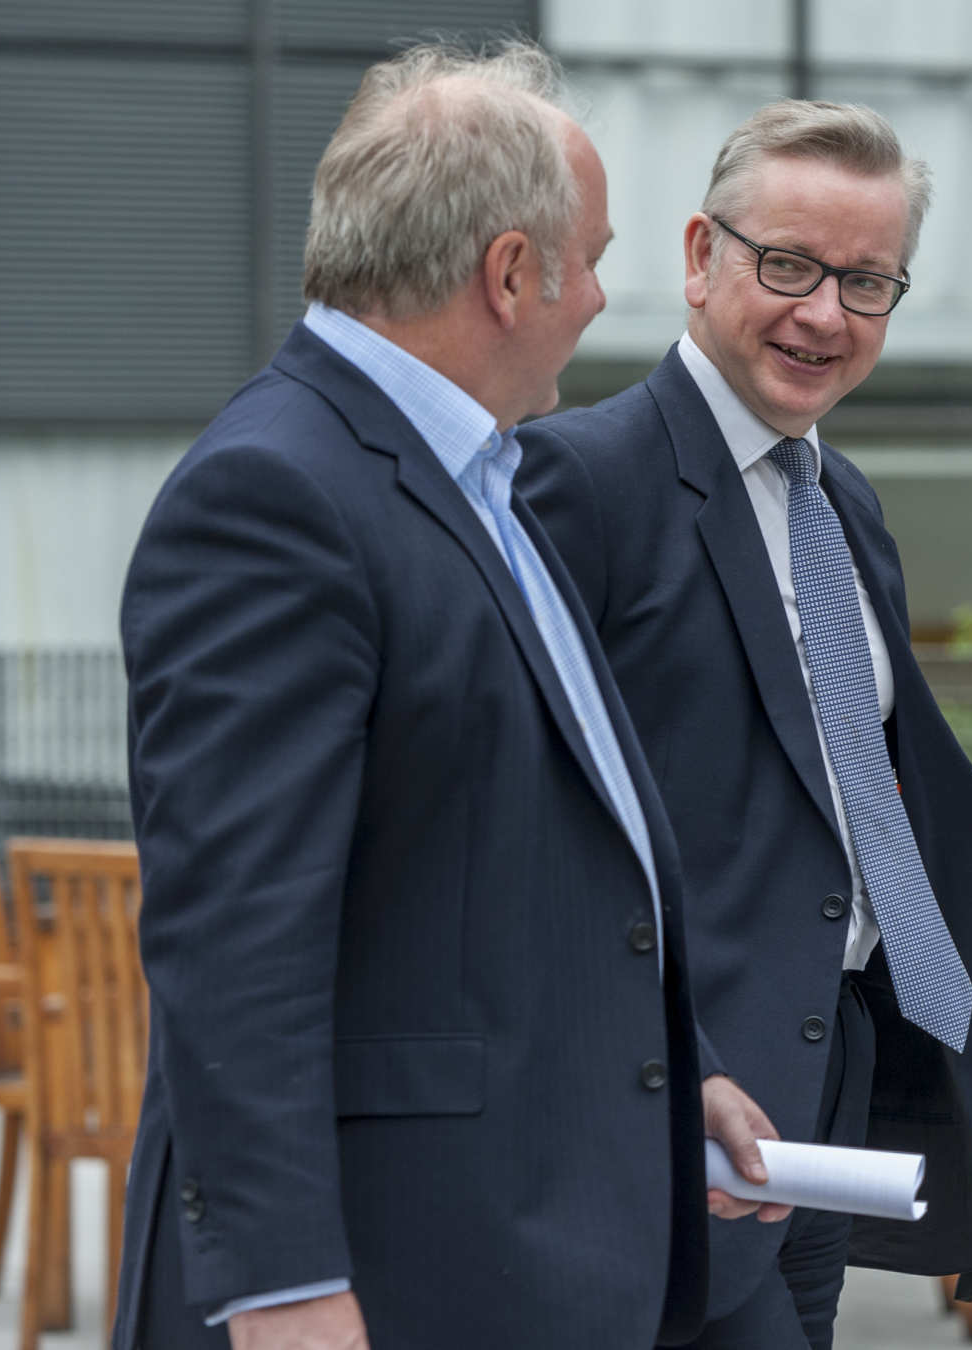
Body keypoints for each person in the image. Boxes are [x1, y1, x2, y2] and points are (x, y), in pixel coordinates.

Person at [114, 41, 783, 1350]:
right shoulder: (276, 497)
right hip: (382, 1275)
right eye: (587, 256)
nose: (601, 297)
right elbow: (237, 936)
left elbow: (514, 859)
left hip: (514, 1245)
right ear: (510, 273)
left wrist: (670, 1070)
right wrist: (282, 1281)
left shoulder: (478, 480)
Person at [517, 100, 972, 1350]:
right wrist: (670, 1065)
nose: (823, 315)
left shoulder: (842, 499)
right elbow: (539, 831)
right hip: (665, 1107)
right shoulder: (577, 481)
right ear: (700, 256)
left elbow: (856, 785)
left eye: (866, 282)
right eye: (788, 265)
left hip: (831, 1083)